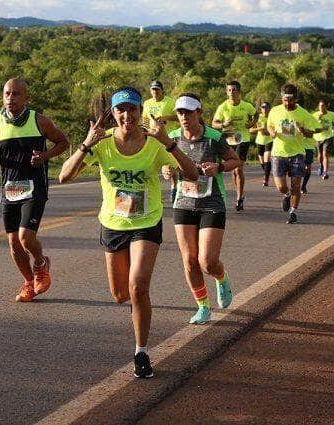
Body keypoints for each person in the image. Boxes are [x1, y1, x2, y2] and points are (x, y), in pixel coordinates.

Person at [59, 87, 198, 378]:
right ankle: (138, 311)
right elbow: (64, 176)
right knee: (120, 293)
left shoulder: (155, 143)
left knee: (138, 286)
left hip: (146, 222)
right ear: (113, 114)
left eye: (132, 109)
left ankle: (141, 351)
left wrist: (169, 144)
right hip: (113, 224)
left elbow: (192, 174)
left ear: (140, 112)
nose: (127, 116)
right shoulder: (102, 143)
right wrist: (86, 144)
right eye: (120, 110)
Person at [0, 79, 69, 303]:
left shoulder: (39, 120)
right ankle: (29, 282)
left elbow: (62, 142)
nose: (11, 98)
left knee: (25, 237)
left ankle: (40, 262)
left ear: (26, 98)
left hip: (34, 186)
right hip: (9, 187)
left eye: (16, 94)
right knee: (13, 242)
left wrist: (45, 156)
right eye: (7, 94)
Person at [163, 93, 240, 324]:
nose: (184, 117)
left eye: (188, 112)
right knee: (189, 260)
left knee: (207, 261)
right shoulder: (172, 137)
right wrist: (167, 170)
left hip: (211, 202)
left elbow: (236, 160)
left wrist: (219, 166)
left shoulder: (214, 138)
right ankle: (203, 306)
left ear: (199, 112)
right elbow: (163, 162)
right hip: (183, 202)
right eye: (180, 112)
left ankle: (221, 277)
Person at [267, 83, 320, 224]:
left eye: (290, 99)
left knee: (296, 185)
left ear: (295, 98)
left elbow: (313, 131)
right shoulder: (274, 111)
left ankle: (293, 212)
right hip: (278, 153)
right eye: (284, 99)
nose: (287, 102)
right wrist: (271, 131)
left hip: (297, 153)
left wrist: (303, 130)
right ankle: (286, 194)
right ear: (281, 98)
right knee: (281, 186)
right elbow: (270, 125)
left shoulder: (303, 114)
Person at [212, 81, 257, 211]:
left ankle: (239, 197)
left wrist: (252, 123)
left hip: (243, 139)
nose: (231, 92)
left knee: (238, 169)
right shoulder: (223, 107)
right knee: (233, 170)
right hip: (228, 140)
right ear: (226, 92)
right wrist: (224, 125)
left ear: (239, 92)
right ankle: (239, 193)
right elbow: (214, 123)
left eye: (233, 90)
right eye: (229, 90)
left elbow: (256, 114)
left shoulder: (246, 106)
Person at [143, 80, 180, 202]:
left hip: (167, 137)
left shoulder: (169, 102)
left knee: (170, 165)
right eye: (153, 89)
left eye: (157, 89)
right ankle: (155, 194)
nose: (155, 92)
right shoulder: (147, 103)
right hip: (151, 138)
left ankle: (174, 186)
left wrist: (166, 118)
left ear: (162, 90)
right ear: (150, 91)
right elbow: (144, 120)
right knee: (151, 165)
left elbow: (178, 117)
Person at [313, 100, 334, 179]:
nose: (321, 107)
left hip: (328, 136)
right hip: (318, 137)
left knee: (325, 153)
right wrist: (318, 119)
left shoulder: (332, 114)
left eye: (323, 105)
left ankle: (325, 172)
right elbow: (312, 126)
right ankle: (321, 165)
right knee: (320, 155)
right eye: (320, 106)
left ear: (326, 106)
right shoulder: (315, 115)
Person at [250, 102, 273, 186]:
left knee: (267, 158)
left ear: (270, 109)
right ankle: (267, 173)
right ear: (260, 109)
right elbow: (251, 130)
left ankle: (266, 179)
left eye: (267, 108)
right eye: (263, 108)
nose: (265, 109)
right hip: (259, 141)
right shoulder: (258, 117)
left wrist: (266, 131)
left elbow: (271, 132)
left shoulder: (272, 117)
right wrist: (261, 128)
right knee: (262, 162)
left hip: (269, 140)